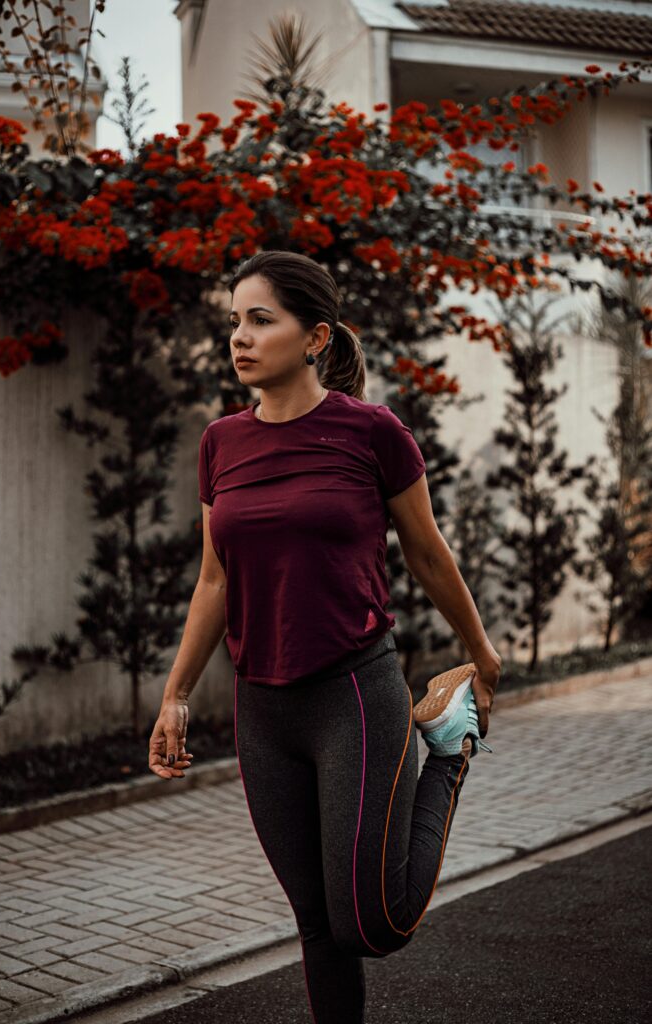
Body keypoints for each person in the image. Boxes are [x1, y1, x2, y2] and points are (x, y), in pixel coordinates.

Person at [149, 249, 501, 1023]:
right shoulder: (221, 443)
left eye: (259, 320)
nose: (238, 337)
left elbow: (426, 551)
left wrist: (478, 651)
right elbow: (214, 580)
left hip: (354, 693)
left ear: (315, 338)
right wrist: (174, 696)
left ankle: (448, 751)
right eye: (233, 321)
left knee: (371, 924)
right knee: (317, 929)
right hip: (263, 710)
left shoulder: (371, 431)